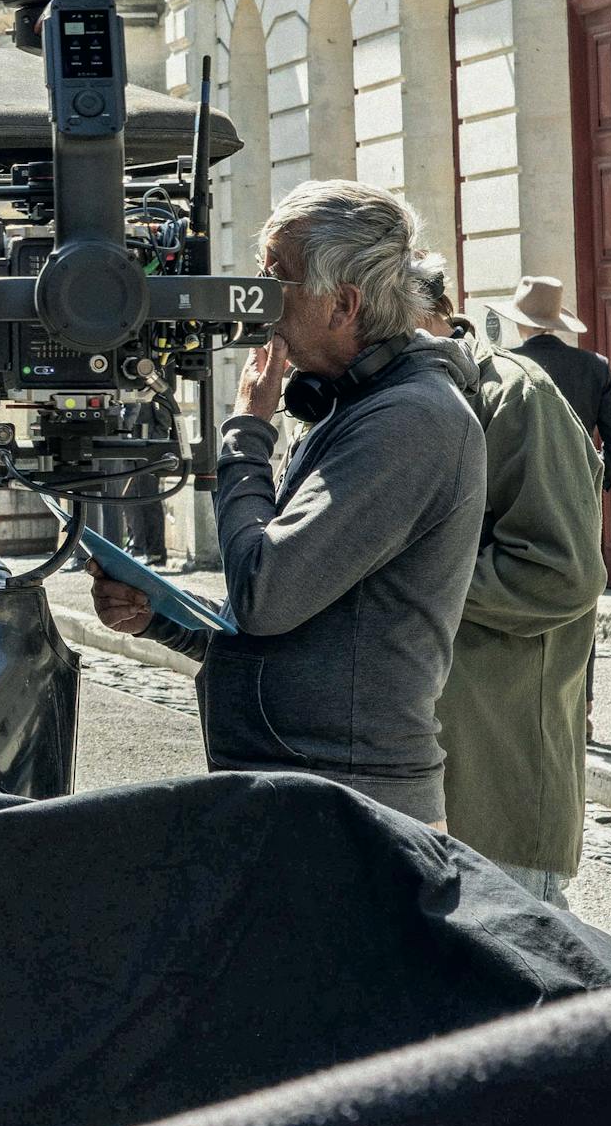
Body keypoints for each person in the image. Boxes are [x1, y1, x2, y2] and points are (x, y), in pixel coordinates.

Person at [91, 180, 486, 827]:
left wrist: (247, 432)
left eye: (277, 280)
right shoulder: (355, 405)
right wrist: (157, 616)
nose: (257, 301)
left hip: (349, 804)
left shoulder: (410, 421)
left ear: (342, 305)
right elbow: (302, 620)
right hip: (302, 787)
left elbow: (266, 596)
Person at [412, 256, 607, 904]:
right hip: (422, 783)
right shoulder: (388, 394)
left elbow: (560, 573)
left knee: (533, 993)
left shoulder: (515, 391)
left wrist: (411, 571)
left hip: (499, 791)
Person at [485, 276, 611, 496]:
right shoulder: (594, 366)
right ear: (555, 322)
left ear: (519, 321)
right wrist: (593, 480)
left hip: (520, 496)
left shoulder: (504, 364)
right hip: (578, 493)